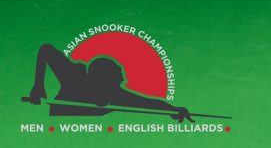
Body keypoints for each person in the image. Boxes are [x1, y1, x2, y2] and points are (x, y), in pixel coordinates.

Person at [24, 44, 193, 121]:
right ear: (101, 80)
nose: (123, 81)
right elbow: (46, 49)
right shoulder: (73, 76)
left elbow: (149, 103)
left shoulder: (116, 94)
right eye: (117, 79)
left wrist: (173, 109)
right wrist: (38, 86)